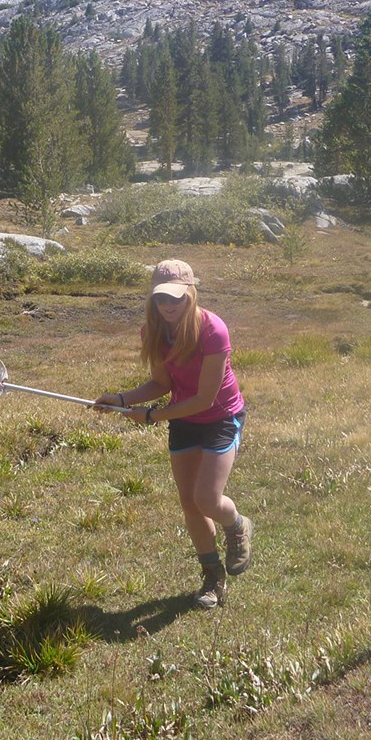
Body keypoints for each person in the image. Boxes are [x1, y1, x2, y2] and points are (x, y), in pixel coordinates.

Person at [94, 258, 252, 609]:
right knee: (189, 502)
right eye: (161, 297)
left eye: (177, 298)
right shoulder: (153, 332)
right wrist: (120, 399)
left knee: (208, 499)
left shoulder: (213, 330)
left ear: (191, 295)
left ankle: (237, 525)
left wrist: (152, 416)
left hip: (220, 416)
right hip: (184, 418)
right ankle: (213, 578)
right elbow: (161, 383)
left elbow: (205, 398)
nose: (168, 305)